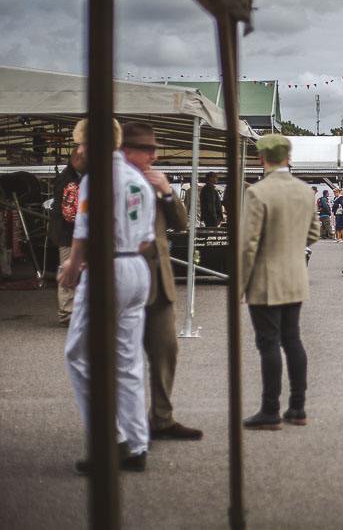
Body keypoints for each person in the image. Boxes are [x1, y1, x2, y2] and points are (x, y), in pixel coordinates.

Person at [60, 117, 155, 473]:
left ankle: (110, 439)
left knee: (79, 355)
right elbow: (145, 238)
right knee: (127, 360)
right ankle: (136, 442)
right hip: (135, 266)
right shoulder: (138, 180)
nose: (80, 150)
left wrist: (73, 264)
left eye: (82, 144)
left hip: (107, 268)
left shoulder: (95, 178)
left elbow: (85, 227)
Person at [119, 122, 203, 440]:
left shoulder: (156, 182)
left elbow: (182, 224)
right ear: (127, 152)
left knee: (166, 351)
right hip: (124, 280)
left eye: (155, 149)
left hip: (159, 281)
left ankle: (162, 418)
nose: (154, 156)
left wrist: (168, 193)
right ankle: (126, 428)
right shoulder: (113, 181)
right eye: (147, 150)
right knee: (122, 358)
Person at [240, 134, 320, 430]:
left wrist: (239, 286)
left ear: (262, 158)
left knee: (268, 343)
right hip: (295, 273)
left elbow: (248, 244)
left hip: (265, 277)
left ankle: (270, 409)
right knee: (293, 339)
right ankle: (297, 407)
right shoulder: (304, 191)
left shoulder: (257, 192)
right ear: (288, 157)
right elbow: (315, 232)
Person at [49, 146, 86, 327]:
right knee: (68, 272)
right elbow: (70, 211)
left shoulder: (72, 177)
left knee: (73, 271)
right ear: (77, 158)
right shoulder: (68, 179)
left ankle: (74, 311)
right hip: (68, 233)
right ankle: (67, 313)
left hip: (69, 233)